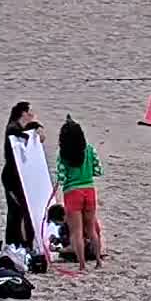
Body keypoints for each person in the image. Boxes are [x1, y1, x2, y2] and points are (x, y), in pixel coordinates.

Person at [54, 117, 104, 273]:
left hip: (72, 192)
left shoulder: (63, 154)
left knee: (76, 232)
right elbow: (98, 170)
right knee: (91, 229)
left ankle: (82, 264)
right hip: (89, 189)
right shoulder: (90, 150)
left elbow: (61, 177)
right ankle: (97, 260)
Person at [1, 102, 42, 251]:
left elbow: (30, 129)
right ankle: (13, 242)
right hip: (11, 177)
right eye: (30, 111)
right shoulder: (12, 127)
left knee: (24, 210)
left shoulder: (20, 127)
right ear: (23, 113)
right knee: (15, 211)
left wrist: (37, 126)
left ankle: (23, 242)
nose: (32, 114)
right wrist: (29, 130)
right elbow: (16, 133)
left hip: (21, 177)